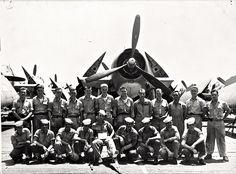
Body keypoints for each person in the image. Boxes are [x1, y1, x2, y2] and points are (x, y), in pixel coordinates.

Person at [204, 90, 230, 162]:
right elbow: (205, 111)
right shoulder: (208, 104)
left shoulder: (223, 103)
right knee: (209, 138)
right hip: (211, 122)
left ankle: (224, 154)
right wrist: (208, 117)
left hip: (220, 122)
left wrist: (224, 118)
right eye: (212, 95)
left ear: (218, 95)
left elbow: (228, 110)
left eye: (215, 95)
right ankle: (209, 153)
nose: (214, 96)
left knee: (221, 139)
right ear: (211, 96)